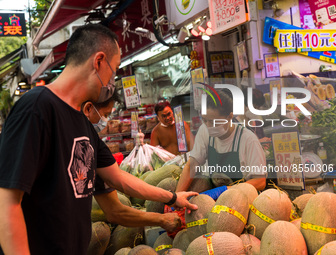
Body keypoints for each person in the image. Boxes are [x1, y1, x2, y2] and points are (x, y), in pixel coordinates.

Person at [0, 24, 197, 255]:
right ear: (99, 62)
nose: (112, 81)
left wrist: (173, 197)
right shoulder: (37, 108)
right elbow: (7, 203)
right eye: (113, 72)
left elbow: (120, 179)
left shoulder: (83, 123)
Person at [81, 89, 181, 231]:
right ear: (88, 109)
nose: (106, 121)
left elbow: (118, 183)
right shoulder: (63, 134)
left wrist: (172, 199)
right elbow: (119, 185)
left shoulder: (94, 144)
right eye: (105, 115)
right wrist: (169, 204)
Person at [176, 90, 267, 193]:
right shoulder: (204, 130)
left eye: (214, 122)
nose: (209, 126)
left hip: (243, 199)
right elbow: (191, 166)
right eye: (205, 120)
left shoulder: (248, 140)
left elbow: (260, 181)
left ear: (229, 117)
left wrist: (224, 190)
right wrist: (176, 197)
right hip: (216, 201)